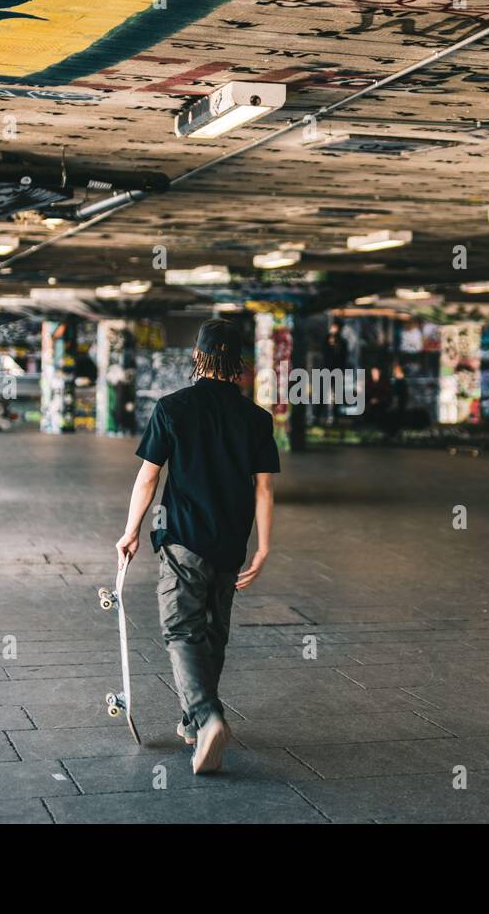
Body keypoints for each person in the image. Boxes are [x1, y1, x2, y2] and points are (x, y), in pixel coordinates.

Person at [115, 319, 279, 774]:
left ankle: (208, 719)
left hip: (183, 538)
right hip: (231, 542)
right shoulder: (257, 419)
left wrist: (131, 530)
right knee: (212, 631)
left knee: (182, 629)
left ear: (199, 358)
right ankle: (193, 720)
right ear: (240, 363)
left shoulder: (173, 408)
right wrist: (263, 548)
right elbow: (263, 489)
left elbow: (149, 475)